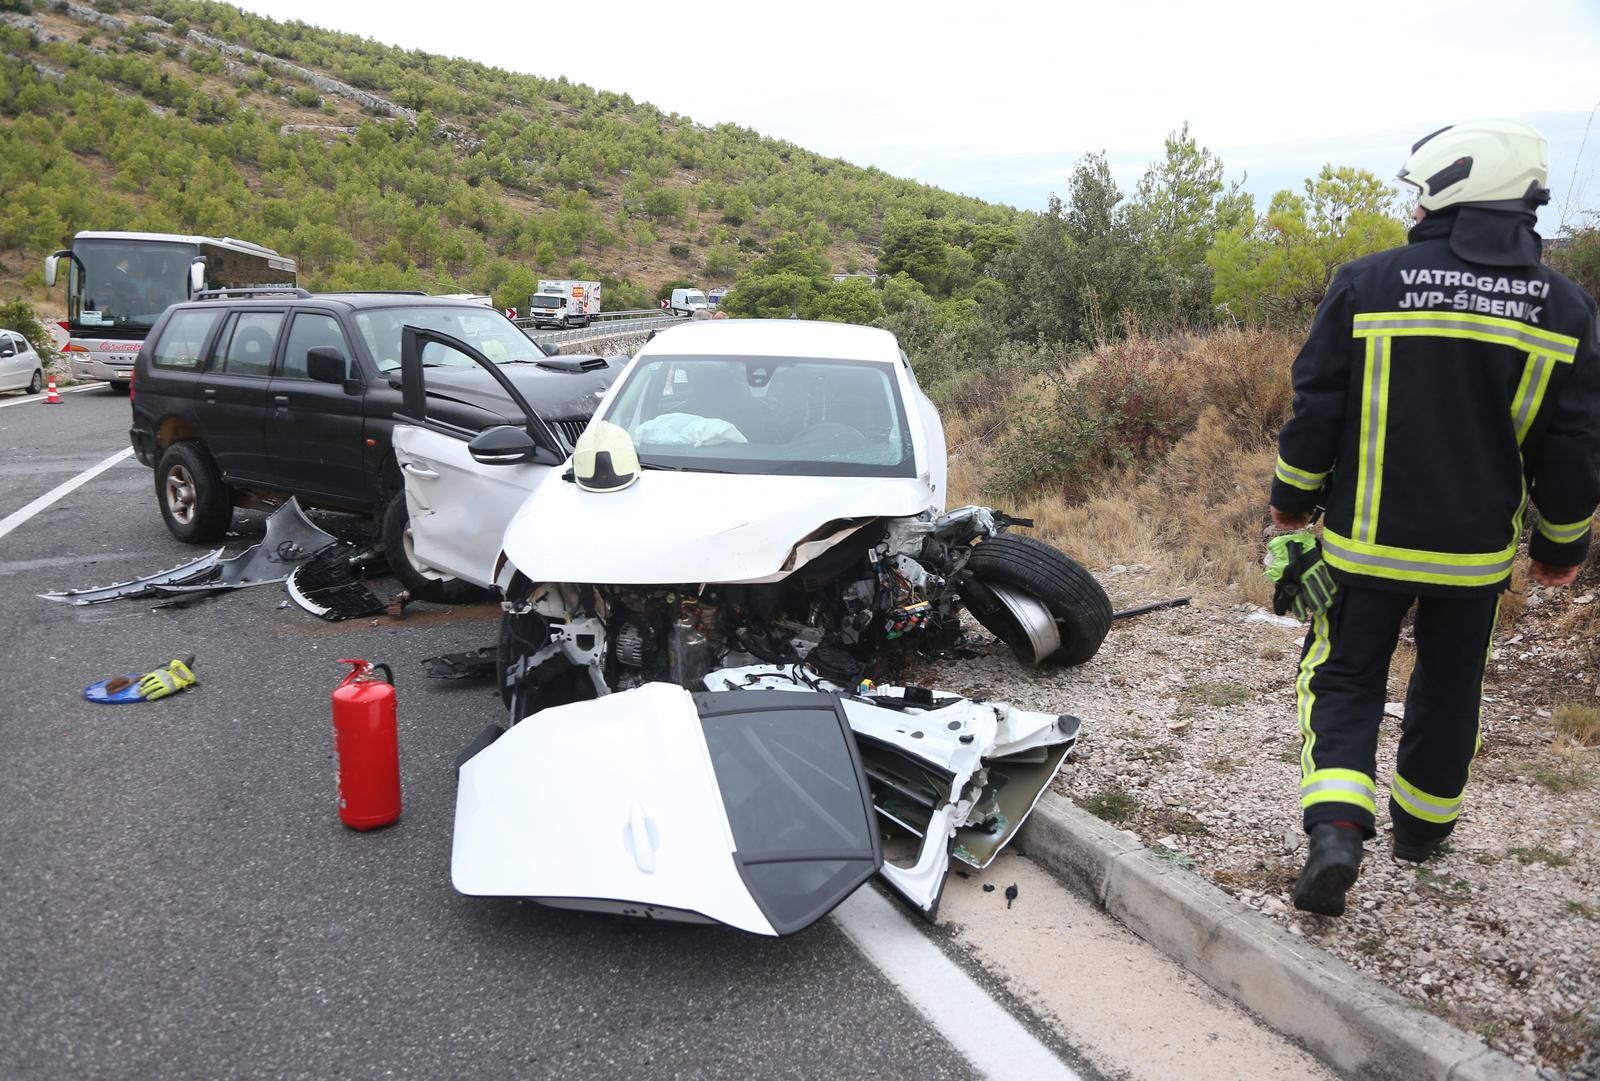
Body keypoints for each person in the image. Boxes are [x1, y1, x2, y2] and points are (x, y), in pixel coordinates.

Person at [1269, 119, 1600, 917]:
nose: (1413, 208)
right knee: (1451, 689)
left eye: (1419, 192)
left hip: (1364, 549)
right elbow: (1575, 444)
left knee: (1342, 679)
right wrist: (1562, 542)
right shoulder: (1566, 308)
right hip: (1473, 559)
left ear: (1456, 185)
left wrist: (1291, 502)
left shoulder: (1368, 282)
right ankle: (1421, 832)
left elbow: (1317, 409)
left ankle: (1337, 833)